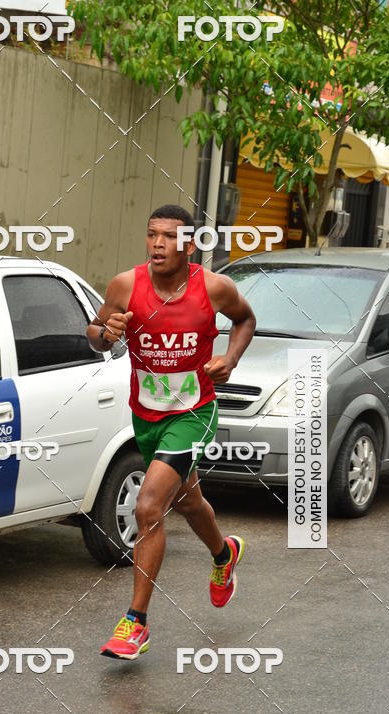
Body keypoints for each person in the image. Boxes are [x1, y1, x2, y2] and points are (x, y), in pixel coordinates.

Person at [86, 204, 256, 660]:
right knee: (187, 500)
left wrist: (231, 359)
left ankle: (135, 624)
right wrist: (106, 332)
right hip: (146, 415)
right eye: (151, 235)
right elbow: (96, 330)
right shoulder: (126, 285)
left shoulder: (215, 288)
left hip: (194, 413)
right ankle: (224, 555)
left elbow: (246, 320)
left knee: (149, 506)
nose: (157, 244)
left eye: (168, 236)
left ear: (189, 245)